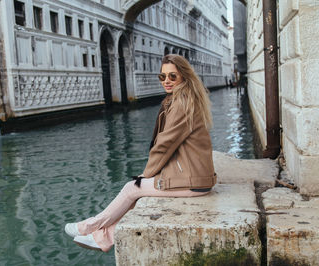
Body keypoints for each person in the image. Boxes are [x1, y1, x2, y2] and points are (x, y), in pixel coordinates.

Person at [64, 54, 217, 252]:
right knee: (137, 191)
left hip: (194, 181)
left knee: (132, 188)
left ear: (184, 77)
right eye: (163, 77)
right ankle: (102, 237)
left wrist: (146, 175)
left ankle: (90, 226)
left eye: (173, 76)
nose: (167, 81)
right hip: (194, 176)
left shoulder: (182, 103)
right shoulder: (183, 99)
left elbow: (164, 144)